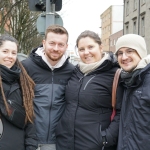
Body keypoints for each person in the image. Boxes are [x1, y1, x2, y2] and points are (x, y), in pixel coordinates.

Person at [56, 30, 123, 150]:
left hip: (94, 144)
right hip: (65, 142)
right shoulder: (76, 72)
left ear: (101, 47)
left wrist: (105, 139)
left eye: (90, 47)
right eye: (81, 49)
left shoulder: (114, 74)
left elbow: (122, 113)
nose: (86, 52)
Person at [22, 25, 75, 150]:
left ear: (66, 46)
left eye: (61, 44)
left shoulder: (72, 71)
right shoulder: (26, 67)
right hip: (30, 140)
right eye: (52, 43)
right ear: (44, 43)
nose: (56, 48)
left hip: (58, 142)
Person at [0, 34, 37, 150]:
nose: (9, 56)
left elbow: (30, 122)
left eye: (13, 53)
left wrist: (31, 146)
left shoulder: (23, 83)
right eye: (5, 51)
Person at [115, 34, 150, 150]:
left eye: (130, 51)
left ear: (141, 53)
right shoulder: (126, 80)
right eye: (120, 53)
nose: (124, 57)